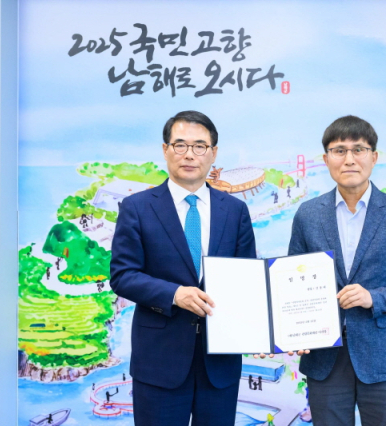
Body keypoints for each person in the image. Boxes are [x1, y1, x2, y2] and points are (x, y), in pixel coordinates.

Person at [110, 111, 256, 426]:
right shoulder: (137, 208)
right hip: (159, 362)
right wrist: (175, 294)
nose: (190, 154)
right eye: (180, 145)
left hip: (220, 364)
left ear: (213, 153)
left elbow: (248, 280)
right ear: (166, 150)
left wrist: (262, 331)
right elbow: (123, 275)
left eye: (200, 146)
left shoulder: (235, 211)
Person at [288, 115, 386, 426]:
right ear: (326, 159)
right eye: (339, 151)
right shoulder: (307, 215)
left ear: (374, 157)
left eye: (359, 150)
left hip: (383, 358)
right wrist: (289, 329)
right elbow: (291, 283)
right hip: (324, 357)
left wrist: (373, 298)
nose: (349, 159)